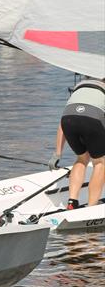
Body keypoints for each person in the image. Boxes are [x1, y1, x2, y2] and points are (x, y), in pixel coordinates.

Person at [48, 78, 105, 210]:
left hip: (68, 120)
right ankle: (92, 207)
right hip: (91, 120)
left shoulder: (80, 87)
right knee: (100, 163)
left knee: (82, 158)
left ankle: (72, 202)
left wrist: (57, 154)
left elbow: (61, 126)